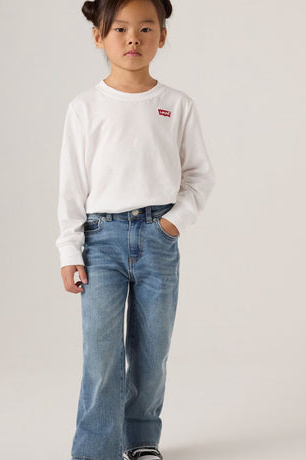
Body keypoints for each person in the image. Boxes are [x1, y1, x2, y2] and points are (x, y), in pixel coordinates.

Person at [55, 1, 217, 459]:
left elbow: (200, 176)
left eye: (146, 29)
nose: (133, 38)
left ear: (162, 36)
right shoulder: (85, 107)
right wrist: (69, 251)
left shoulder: (176, 105)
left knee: (151, 350)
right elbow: (71, 186)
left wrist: (171, 224)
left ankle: (141, 439)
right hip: (100, 242)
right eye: (120, 29)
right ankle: (95, 450)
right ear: (99, 36)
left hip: (157, 242)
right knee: (102, 355)